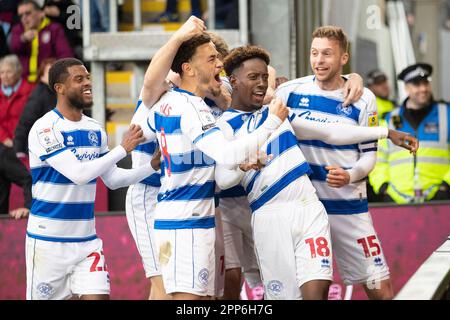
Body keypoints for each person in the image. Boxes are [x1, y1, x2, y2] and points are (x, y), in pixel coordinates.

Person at [215, 45, 417, 300]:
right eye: (253, 77)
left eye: (264, 77)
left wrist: (386, 133)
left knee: (317, 290)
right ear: (234, 80)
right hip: (268, 215)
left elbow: (331, 132)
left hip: (308, 208)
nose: (261, 84)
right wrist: (242, 165)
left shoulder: (275, 111)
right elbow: (223, 179)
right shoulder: (223, 126)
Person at [137, 30, 291, 300]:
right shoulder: (193, 108)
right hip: (189, 222)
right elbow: (227, 155)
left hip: (177, 217)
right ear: (189, 69)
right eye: (211, 59)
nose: (218, 64)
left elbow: (145, 130)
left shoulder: (167, 103)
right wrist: (271, 123)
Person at [275, 26, 398, 300]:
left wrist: (350, 175)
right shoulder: (289, 91)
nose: (319, 60)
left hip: (350, 209)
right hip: (308, 211)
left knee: (381, 289)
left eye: (327, 54)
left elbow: (369, 156)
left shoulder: (364, 98)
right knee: (312, 291)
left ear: (344, 58)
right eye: (315, 53)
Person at [25, 57, 160, 300]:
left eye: (88, 77)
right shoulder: (45, 128)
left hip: (87, 242)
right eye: (79, 79)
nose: (88, 83)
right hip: (48, 243)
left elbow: (113, 179)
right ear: (60, 88)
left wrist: (151, 166)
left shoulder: (95, 129)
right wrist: (123, 149)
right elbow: (79, 174)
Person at [369, 63, 450, 203]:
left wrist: (446, 186)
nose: (423, 89)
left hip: (440, 201)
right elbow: (377, 159)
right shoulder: (388, 119)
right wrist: (383, 188)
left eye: (426, 83)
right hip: (396, 201)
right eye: (417, 85)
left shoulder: (446, 114)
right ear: (406, 88)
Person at [0, 54, 34, 217]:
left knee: (28, 178)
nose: (4, 76)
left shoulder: (30, 91)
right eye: (1, 72)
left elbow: (30, 120)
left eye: (8, 72)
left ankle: (31, 211)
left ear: (18, 72)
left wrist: (17, 140)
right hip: (3, 145)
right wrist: (3, 138)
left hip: (23, 145)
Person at [10, 0, 73, 82]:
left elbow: (66, 55)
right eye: (21, 15)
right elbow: (13, 47)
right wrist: (23, 39)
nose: (24, 18)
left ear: (41, 13)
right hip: (23, 82)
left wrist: (53, 69)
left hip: (46, 80)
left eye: (28, 13)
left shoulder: (54, 29)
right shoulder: (18, 30)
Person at [14, 58, 57, 158]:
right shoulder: (39, 94)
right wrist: (18, 150)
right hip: (39, 149)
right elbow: (25, 122)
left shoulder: (59, 93)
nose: (54, 76)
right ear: (42, 75)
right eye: (50, 73)